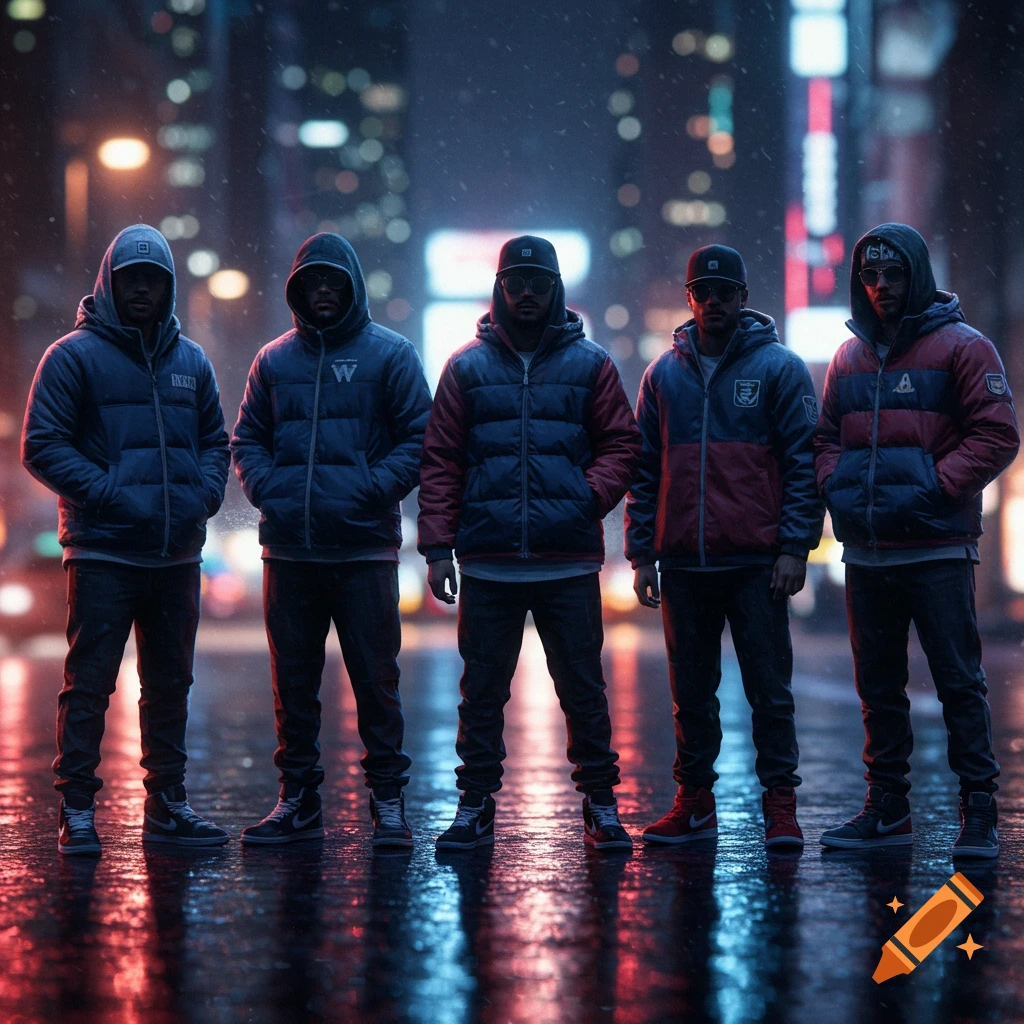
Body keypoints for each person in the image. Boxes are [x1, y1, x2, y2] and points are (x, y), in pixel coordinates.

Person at [418, 234, 642, 851]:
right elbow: (440, 461)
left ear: (555, 289)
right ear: (499, 288)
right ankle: (474, 805)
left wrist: (581, 498)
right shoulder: (466, 367)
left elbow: (623, 447)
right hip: (490, 558)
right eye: (516, 282)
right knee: (482, 692)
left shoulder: (590, 364)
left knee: (583, 689)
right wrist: (439, 548)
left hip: (565, 558)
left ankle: (600, 803)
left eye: (537, 283)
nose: (526, 293)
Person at [22, 224, 231, 856]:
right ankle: (78, 811)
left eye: (154, 279)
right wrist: (112, 494)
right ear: (110, 283)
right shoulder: (72, 357)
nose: (141, 288)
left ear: (169, 287)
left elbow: (217, 443)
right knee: (90, 682)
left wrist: (202, 497)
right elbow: (42, 446)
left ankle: (167, 805)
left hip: (174, 553)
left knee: (171, 684)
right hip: (104, 550)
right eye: (130, 278)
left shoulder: (190, 362)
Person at [815, 224, 1019, 858]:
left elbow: (997, 434)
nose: (880, 288)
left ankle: (979, 814)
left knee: (958, 681)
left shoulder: (964, 347)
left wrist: (933, 488)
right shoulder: (848, 357)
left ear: (917, 276)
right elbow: (825, 439)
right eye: (870, 277)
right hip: (870, 550)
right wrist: (841, 488)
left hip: (936, 548)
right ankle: (887, 810)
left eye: (892, 275)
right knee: (878, 687)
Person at [232, 232, 432, 848]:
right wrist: (274, 493)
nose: (323, 290)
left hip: (365, 549)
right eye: (312, 281)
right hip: (290, 550)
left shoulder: (390, 356)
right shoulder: (273, 361)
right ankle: (298, 800)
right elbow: (246, 439)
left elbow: (420, 438)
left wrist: (371, 490)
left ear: (351, 288)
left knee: (376, 680)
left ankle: (389, 802)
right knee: (292, 683)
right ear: (297, 289)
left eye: (333, 281)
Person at [625, 244, 823, 849]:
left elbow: (803, 464)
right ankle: (695, 803)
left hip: (755, 562)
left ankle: (780, 806)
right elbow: (642, 471)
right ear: (690, 298)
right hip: (685, 561)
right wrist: (642, 554)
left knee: (770, 689)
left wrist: (795, 547)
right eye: (702, 292)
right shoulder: (662, 375)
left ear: (743, 296)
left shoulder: (780, 369)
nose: (713, 301)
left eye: (724, 291)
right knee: (691, 694)